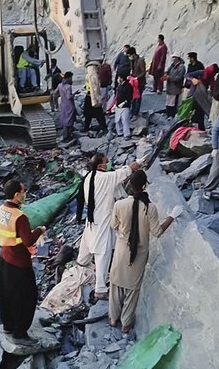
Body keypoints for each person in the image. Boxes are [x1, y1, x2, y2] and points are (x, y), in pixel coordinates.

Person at [109, 170, 182, 332]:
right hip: (140, 253)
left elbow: (113, 225)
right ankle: (126, 323)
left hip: (121, 250)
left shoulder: (119, 205)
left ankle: (113, 318)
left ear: (129, 185)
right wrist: (171, 217)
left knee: (116, 284)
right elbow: (157, 232)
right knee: (132, 289)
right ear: (144, 186)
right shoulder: (150, 208)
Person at [76, 154, 141, 300]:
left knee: (86, 243)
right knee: (103, 253)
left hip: (92, 219)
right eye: (107, 162)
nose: (109, 163)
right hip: (102, 221)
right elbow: (125, 172)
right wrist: (140, 161)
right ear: (100, 166)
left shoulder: (89, 176)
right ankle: (100, 289)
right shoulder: (105, 178)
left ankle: (82, 264)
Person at [0, 180, 47, 346]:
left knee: (6, 294)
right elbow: (28, 240)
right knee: (26, 298)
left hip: (4, 257)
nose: (25, 194)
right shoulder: (20, 216)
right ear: (17, 195)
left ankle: (8, 326)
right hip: (19, 262)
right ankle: (20, 333)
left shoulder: (1, 210)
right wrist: (40, 230)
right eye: (23, 191)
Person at [163, 53, 185, 118]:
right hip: (170, 87)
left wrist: (169, 77)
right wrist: (165, 74)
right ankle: (168, 114)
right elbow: (167, 71)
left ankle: (172, 115)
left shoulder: (181, 67)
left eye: (174, 57)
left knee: (173, 103)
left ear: (177, 58)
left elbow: (179, 78)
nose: (173, 59)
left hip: (176, 88)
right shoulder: (172, 65)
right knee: (168, 102)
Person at [56, 71, 76, 141]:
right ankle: (68, 136)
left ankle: (65, 135)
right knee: (70, 120)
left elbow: (55, 93)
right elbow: (68, 97)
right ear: (69, 78)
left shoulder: (59, 85)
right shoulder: (68, 87)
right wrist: (74, 94)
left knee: (64, 120)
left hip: (63, 104)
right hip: (69, 105)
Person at [114, 73, 134, 138]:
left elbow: (130, 96)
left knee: (125, 120)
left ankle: (126, 134)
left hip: (125, 105)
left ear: (122, 78)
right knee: (117, 120)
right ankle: (120, 132)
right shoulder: (120, 85)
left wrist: (124, 102)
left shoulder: (128, 86)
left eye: (119, 78)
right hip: (118, 105)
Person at [128, 47, 146, 118]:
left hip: (140, 83)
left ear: (133, 54)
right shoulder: (133, 61)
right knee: (133, 98)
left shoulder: (140, 61)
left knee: (138, 98)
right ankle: (132, 113)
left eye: (130, 55)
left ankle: (135, 113)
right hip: (134, 83)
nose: (129, 57)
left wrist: (137, 78)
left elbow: (143, 72)